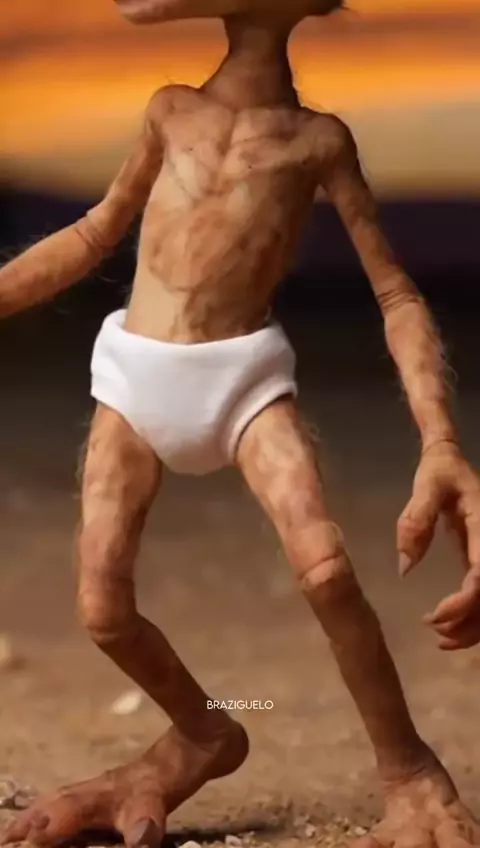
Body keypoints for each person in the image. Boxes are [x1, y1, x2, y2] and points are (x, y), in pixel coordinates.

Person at [1, 1, 480, 846]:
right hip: (134, 374)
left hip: (243, 381)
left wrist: (440, 441)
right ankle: (204, 732)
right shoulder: (169, 111)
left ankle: (409, 771)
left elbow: (395, 293)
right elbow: (94, 232)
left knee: (327, 573)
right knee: (104, 611)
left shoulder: (317, 141)